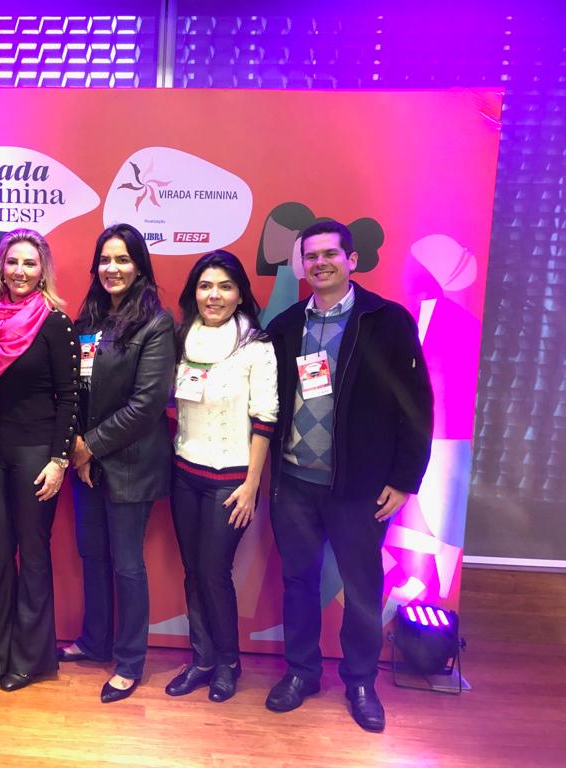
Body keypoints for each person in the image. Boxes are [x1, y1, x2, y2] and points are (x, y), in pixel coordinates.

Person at [265, 220, 433, 732]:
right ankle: (301, 672)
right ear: (302, 265)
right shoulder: (286, 326)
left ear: (351, 260)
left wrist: (405, 479)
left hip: (360, 489)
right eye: (311, 256)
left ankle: (360, 681)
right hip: (295, 482)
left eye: (330, 254)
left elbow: (417, 404)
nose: (320, 263)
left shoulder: (387, 321)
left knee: (362, 587)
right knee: (298, 581)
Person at [56, 223, 175, 704]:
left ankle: (129, 661)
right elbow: (74, 389)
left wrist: (90, 446)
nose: (113, 268)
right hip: (87, 462)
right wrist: (77, 447)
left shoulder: (156, 323)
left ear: (139, 265)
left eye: (123, 259)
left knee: (126, 565)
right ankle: (94, 640)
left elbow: (147, 405)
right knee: (93, 556)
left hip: (130, 464)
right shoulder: (88, 318)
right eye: (105, 259)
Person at [0, 228, 79, 692]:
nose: (20, 271)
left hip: (36, 455)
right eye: (12, 262)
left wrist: (59, 460)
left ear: (43, 270)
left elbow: (70, 396)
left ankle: (31, 660)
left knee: (31, 555)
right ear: (1, 267)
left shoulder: (56, 323)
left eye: (30, 263)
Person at [165, 250, 278, 703]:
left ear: (240, 294)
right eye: (206, 286)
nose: (214, 295)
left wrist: (251, 485)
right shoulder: (181, 338)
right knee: (193, 571)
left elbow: (265, 417)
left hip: (231, 481)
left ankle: (229, 663)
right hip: (183, 473)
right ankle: (202, 660)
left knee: (214, 572)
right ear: (194, 292)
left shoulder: (256, 345)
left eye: (225, 287)